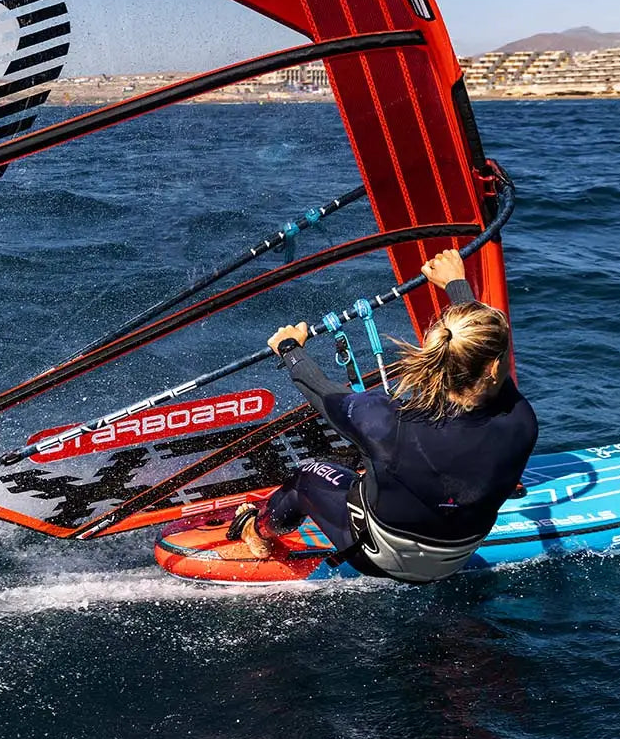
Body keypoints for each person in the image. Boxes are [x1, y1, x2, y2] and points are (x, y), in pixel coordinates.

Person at [227, 249, 537, 583]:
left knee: (307, 475)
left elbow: (322, 393)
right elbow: (482, 357)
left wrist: (291, 350)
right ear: (493, 367)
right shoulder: (521, 421)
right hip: (455, 557)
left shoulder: (383, 421)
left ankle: (257, 528)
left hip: (376, 556)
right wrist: (457, 285)